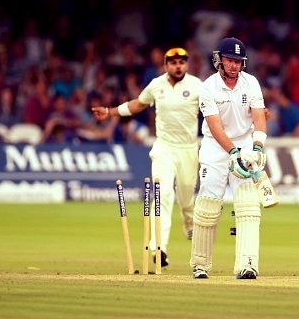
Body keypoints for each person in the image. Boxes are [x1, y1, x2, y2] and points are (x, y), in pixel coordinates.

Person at [92, 47, 201, 267]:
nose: (178, 65)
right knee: (163, 195)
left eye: (182, 62)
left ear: (187, 65)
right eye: (173, 62)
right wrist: (110, 111)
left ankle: (189, 222)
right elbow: (138, 104)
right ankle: (158, 247)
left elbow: (218, 110)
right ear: (165, 65)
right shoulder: (156, 85)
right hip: (164, 147)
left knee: (187, 197)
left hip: (189, 148)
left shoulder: (198, 86)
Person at [190, 37, 268, 280]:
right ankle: (200, 265)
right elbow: (215, 127)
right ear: (219, 61)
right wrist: (232, 153)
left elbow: (259, 118)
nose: (234, 66)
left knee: (248, 205)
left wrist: (257, 148)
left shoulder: (251, 83)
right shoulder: (208, 87)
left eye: (238, 61)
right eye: (229, 60)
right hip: (215, 148)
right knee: (208, 206)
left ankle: (247, 265)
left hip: (245, 145)